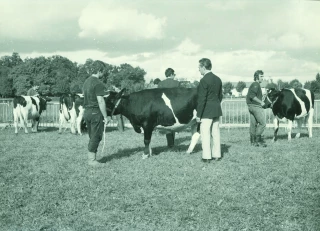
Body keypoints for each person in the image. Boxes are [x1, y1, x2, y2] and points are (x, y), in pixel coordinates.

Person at [82, 60, 110, 166]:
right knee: (96, 136)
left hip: (87, 112)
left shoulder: (86, 82)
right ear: (99, 70)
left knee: (91, 135)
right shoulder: (98, 83)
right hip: (95, 112)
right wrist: (106, 116)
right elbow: (101, 101)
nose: (103, 74)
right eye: (103, 72)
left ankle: (91, 158)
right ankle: (92, 160)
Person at [196, 58, 223, 163]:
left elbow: (202, 99)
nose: (199, 70)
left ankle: (207, 156)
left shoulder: (203, 80)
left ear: (203, 67)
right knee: (215, 133)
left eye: (199, 67)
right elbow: (220, 96)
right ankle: (217, 155)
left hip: (206, 111)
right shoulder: (218, 79)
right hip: (216, 109)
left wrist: (199, 115)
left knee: (205, 133)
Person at [246, 70, 267, 147]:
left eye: (263, 76)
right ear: (256, 77)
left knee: (253, 124)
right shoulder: (256, 84)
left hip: (251, 106)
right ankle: (257, 140)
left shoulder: (255, 84)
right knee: (262, 123)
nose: (262, 78)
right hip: (256, 106)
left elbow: (252, 95)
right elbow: (252, 95)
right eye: (261, 76)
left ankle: (252, 142)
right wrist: (261, 102)